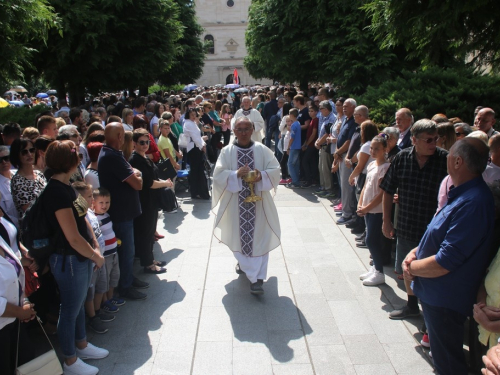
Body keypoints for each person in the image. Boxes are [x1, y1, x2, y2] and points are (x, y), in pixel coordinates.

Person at [404, 138, 494, 375]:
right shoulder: (463, 193)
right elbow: (440, 234)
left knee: (449, 365)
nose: (444, 157)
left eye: (449, 154)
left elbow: (446, 261)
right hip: (438, 294)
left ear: (457, 161)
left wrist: (412, 267)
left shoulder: (474, 202)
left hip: (445, 298)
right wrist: (415, 252)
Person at [44, 140, 108, 375]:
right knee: (70, 309)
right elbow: (72, 237)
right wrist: (95, 255)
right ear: (69, 162)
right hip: (69, 259)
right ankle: (69, 360)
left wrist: (94, 248)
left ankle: (81, 345)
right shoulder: (56, 192)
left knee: (78, 304)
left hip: (79, 256)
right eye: (75, 156)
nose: (79, 159)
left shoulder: (68, 186)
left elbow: (83, 217)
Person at [380, 119, 449, 320]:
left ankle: (431, 313)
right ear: (414, 140)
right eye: (428, 140)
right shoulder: (401, 158)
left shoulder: (444, 160)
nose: (433, 144)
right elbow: (387, 190)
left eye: (435, 139)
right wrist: (386, 220)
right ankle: (411, 306)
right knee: (407, 269)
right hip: (407, 225)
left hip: (435, 229)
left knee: (431, 272)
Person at [212, 117, 281, 294]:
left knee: (261, 237)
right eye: (239, 129)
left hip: (260, 202)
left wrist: (261, 176)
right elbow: (218, 175)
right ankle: (245, 265)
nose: (243, 133)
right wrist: (235, 174)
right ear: (234, 131)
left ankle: (257, 279)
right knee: (239, 237)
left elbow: (276, 170)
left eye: (247, 129)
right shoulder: (227, 151)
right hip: (236, 204)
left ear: (252, 130)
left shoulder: (262, 149)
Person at [98, 123, 149, 301]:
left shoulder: (113, 154)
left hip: (125, 212)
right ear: (120, 137)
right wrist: (138, 175)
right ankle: (125, 286)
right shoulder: (112, 156)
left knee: (129, 250)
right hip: (121, 214)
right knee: (126, 252)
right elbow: (137, 184)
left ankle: (128, 279)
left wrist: (135, 174)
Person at [129, 128, 173, 274]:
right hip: (144, 202)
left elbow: (154, 178)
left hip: (151, 201)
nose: (145, 145)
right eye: (141, 142)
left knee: (150, 233)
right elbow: (149, 183)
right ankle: (148, 264)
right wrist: (166, 184)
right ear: (134, 143)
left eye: (147, 142)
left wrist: (164, 181)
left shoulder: (145, 158)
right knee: (146, 233)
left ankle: (151, 259)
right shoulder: (135, 160)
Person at [357, 135, 391, 286]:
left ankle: (379, 272)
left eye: (377, 148)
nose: (373, 151)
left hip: (376, 210)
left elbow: (381, 193)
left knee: (371, 239)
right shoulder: (371, 165)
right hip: (367, 209)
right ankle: (374, 267)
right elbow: (365, 186)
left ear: (385, 149)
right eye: (371, 148)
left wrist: (367, 207)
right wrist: (360, 203)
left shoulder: (386, 168)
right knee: (369, 238)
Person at [0, 234, 36, 375]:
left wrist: (24, 302)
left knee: (25, 358)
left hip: (12, 322)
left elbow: (15, 273)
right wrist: (20, 312)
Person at [92, 188, 124, 311]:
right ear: (93, 202)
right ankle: (104, 301)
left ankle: (110, 298)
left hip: (114, 252)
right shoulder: (95, 219)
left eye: (107, 202)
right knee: (105, 280)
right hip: (105, 255)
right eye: (101, 202)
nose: (105, 205)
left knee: (114, 277)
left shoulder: (106, 215)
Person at [10, 138, 47, 217]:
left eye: (32, 150)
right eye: (24, 152)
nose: (29, 154)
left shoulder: (39, 174)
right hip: (32, 226)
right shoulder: (17, 181)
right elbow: (29, 209)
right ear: (16, 155)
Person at [183, 108, 210, 200]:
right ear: (188, 115)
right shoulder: (189, 124)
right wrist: (203, 146)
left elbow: (197, 137)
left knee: (197, 171)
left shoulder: (191, 123)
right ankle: (199, 192)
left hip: (195, 148)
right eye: (192, 115)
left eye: (195, 114)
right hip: (194, 149)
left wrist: (202, 145)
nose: (194, 116)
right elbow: (195, 138)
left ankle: (197, 192)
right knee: (197, 171)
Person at [0, 146, 19, 228]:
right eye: (0, 160)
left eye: (6, 158)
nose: (4, 162)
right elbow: (4, 215)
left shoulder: (18, 174)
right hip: (14, 228)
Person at [301, 104, 319, 187]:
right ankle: (313, 179)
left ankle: (309, 180)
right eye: (309, 111)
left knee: (305, 161)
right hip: (308, 143)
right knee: (312, 162)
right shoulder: (311, 120)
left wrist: (307, 145)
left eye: (312, 111)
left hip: (312, 145)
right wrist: (305, 143)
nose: (310, 113)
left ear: (316, 112)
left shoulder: (316, 120)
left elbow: (313, 134)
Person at [286, 108, 302, 188]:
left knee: (290, 164)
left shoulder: (294, 125)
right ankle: (296, 180)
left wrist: (288, 147)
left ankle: (295, 181)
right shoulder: (298, 123)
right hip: (298, 146)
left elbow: (292, 137)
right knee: (295, 164)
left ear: (291, 115)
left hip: (294, 146)